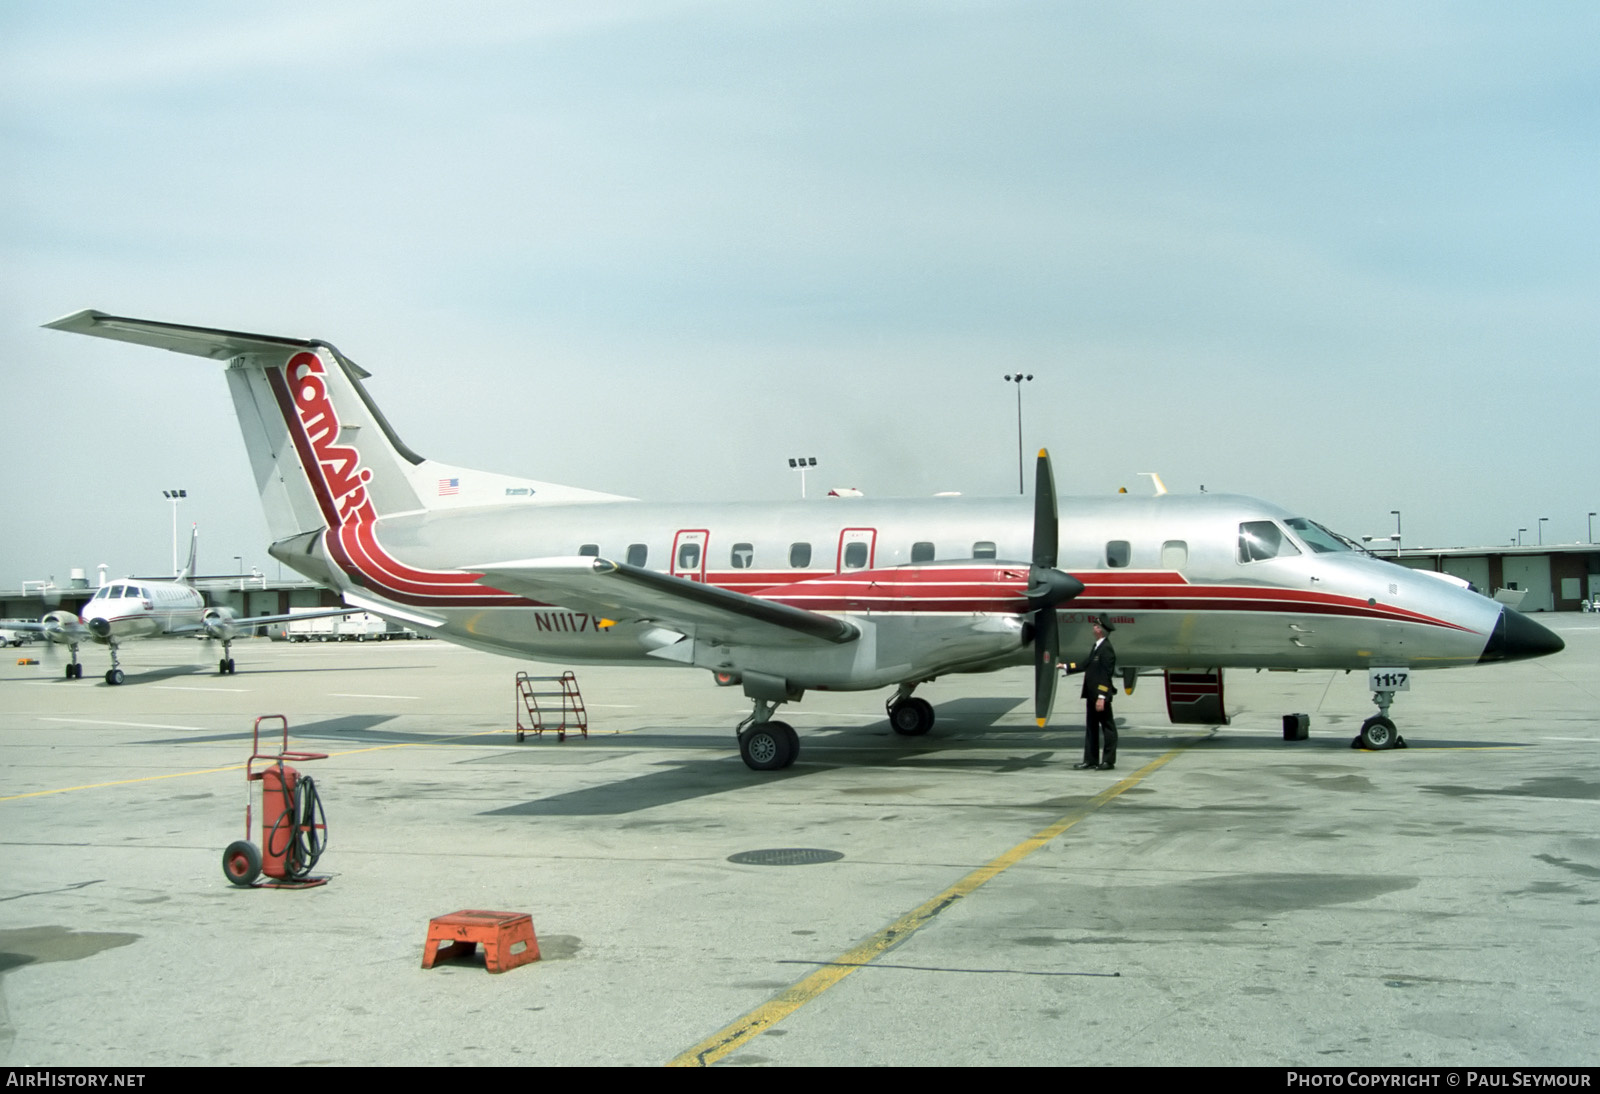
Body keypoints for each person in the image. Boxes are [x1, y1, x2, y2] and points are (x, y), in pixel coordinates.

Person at [1072, 615, 1117, 770]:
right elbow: (1085, 664)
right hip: (1091, 694)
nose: (1093, 628)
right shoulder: (1097, 646)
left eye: (1095, 626)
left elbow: (1106, 674)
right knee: (1091, 727)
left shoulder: (1107, 649)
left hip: (1099, 696)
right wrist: (1066, 666)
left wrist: (1101, 697)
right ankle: (1090, 760)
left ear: (1100, 630)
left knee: (1107, 727)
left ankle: (1108, 761)